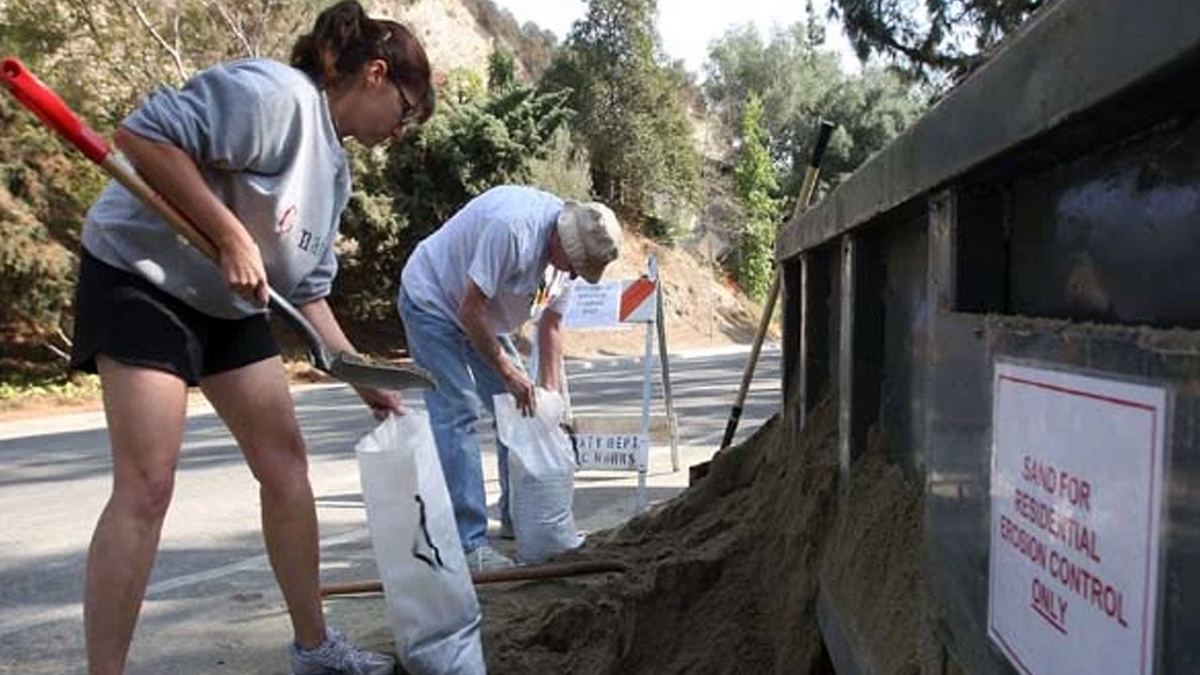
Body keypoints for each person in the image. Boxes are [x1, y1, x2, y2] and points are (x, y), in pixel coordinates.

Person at [69, 2, 434, 673]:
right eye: (406, 111)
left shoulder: (336, 171)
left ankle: (314, 646)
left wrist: (366, 382)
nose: (401, 130)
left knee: (285, 464)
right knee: (148, 484)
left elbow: (308, 293)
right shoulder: (276, 96)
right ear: (376, 75)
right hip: (141, 276)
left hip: (228, 302)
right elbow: (144, 136)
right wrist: (232, 234)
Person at [397, 184, 623, 571]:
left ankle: (522, 518)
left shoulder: (567, 258)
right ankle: (468, 546)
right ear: (561, 240)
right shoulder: (512, 229)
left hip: (483, 316)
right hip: (434, 302)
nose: (574, 273)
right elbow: (470, 310)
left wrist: (550, 394)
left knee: (524, 409)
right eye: (574, 264)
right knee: (458, 412)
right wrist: (506, 370)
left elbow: (551, 324)